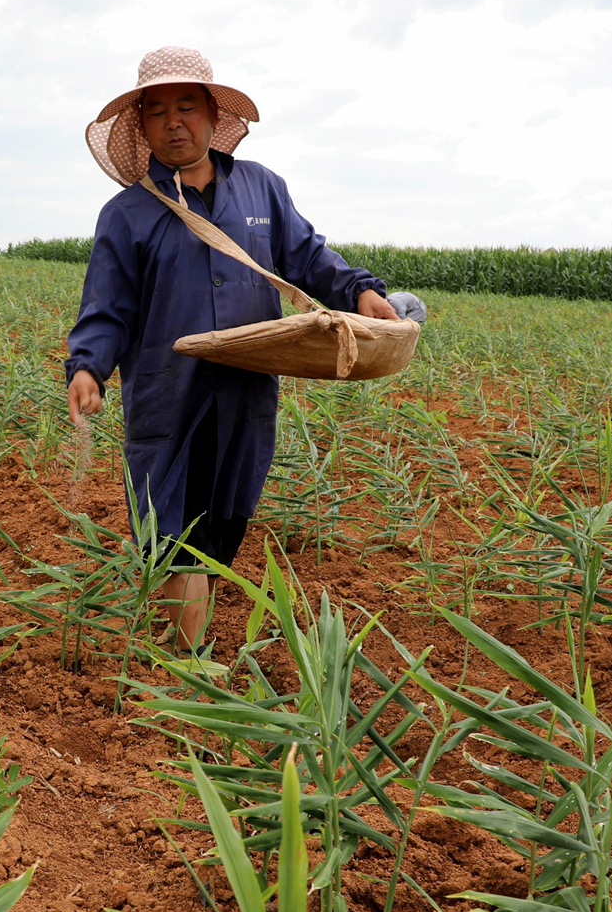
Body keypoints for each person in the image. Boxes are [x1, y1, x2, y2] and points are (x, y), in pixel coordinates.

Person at [64, 46, 397, 646]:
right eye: (157, 110)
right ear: (141, 126)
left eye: (186, 106)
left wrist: (360, 290)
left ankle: (188, 639)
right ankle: (190, 665)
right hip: (170, 398)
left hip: (246, 392)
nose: (173, 122)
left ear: (214, 116)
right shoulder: (128, 214)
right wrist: (88, 366)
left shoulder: (262, 190)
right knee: (172, 526)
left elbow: (308, 256)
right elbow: (108, 306)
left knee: (224, 518)